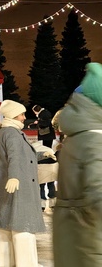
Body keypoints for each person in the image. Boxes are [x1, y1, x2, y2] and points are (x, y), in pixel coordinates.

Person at [0, 100, 49, 267]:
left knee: (6, 224)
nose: (24, 117)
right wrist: (14, 176)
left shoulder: (5, 130)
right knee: (23, 225)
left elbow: (23, 155)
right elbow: (14, 157)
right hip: (18, 184)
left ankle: (3, 261)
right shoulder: (12, 133)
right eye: (21, 114)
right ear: (14, 115)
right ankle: (27, 263)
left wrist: (42, 154)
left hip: (10, 183)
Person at [53, 62, 102, 267]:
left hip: (70, 236)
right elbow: (98, 196)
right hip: (91, 241)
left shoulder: (75, 136)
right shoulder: (95, 139)